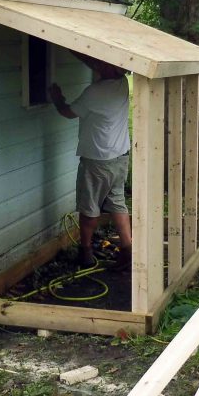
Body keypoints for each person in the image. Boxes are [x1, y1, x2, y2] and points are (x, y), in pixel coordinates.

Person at [49, 53, 132, 269]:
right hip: (120, 156)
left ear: (105, 66)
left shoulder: (95, 92)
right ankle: (128, 251)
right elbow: (102, 66)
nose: (94, 64)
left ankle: (85, 253)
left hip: (98, 160)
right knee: (117, 202)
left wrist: (56, 96)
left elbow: (67, 112)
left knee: (89, 207)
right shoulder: (122, 83)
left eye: (98, 61)